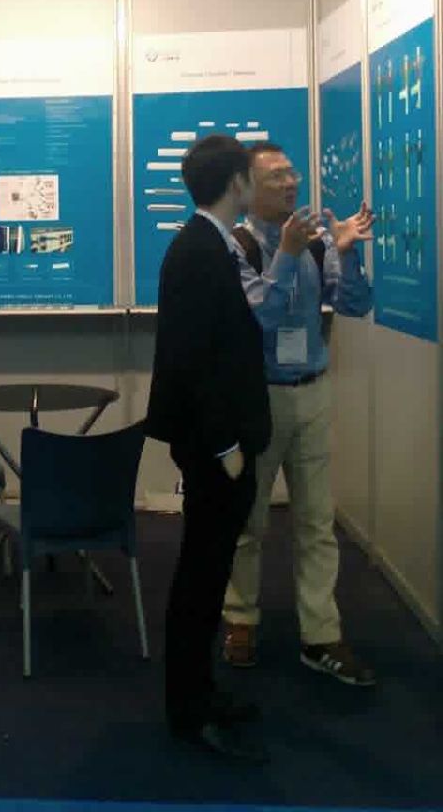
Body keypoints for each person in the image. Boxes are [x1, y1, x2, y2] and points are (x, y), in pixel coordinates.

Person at [223, 142, 375, 686]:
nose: (290, 184)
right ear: (247, 187)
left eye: (292, 174)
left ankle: (321, 634)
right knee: (249, 521)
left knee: (316, 520)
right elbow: (259, 318)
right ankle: (240, 618)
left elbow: (355, 304)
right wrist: (286, 254)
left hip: (311, 391)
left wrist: (347, 253)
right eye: (276, 177)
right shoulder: (237, 245)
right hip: (259, 399)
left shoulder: (316, 242)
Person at [146, 135, 271, 762]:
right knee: (199, 577)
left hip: (223, 442)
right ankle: (188, 710)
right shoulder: (197, 251)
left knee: (211, 570)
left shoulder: (212, 244)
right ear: (235, 183)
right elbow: (193, 360)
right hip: (214, 448)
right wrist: (225, 447)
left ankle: (202, 692)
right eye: (251, 175)